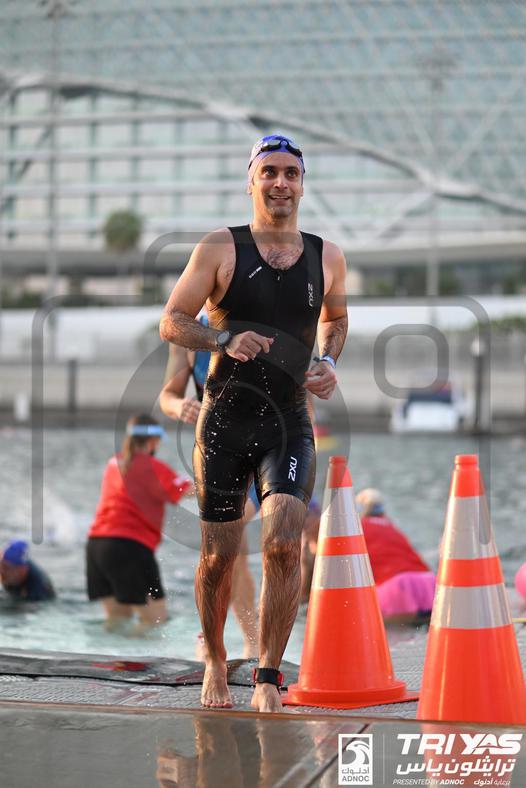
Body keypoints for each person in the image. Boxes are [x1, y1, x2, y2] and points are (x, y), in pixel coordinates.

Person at [159, 133, 348, 711]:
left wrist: (328, 361)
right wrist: (223, 338)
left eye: (291, 173)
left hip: (289, 421)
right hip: (224, 423)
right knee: (218, 557)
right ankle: (216, 662)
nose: (280, 182)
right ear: (251, 181)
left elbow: (336, 319)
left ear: (302, 184)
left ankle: (268, 676)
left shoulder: (327, 255)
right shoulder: (220, 247)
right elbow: (172, 321)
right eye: (269, 172)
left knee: (285, 545)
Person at [160, 314, 259, 659]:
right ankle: (241, 638)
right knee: (229, 551)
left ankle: (227, 636)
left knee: (232, 534)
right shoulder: (189, 335)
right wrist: (180, 406)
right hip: (216, 452)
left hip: (263, 450)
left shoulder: (257, 317)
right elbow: (168, 396)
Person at [86, 414, 193, 633]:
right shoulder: (153, 468)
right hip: (129, 548)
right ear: (153, 441)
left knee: (117, 623)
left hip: (96, 547)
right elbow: (191, 490)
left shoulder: (113, 463)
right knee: (155, 625)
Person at [356, 488, 436, 624]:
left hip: (397, 586)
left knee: (388, 630)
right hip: (428, 582)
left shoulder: (357, 529)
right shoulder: (391, 526)